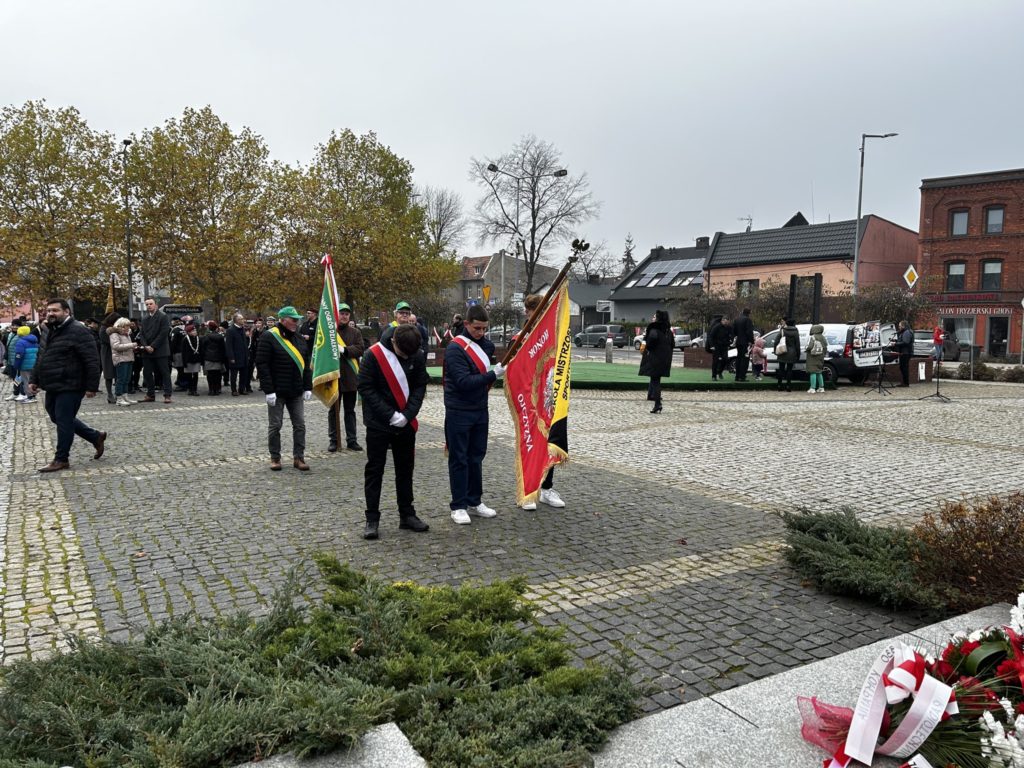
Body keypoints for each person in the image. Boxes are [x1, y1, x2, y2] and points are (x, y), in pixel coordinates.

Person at [357, 323, 430, 540]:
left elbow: (420, 385)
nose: (407, 358)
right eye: (403, 354)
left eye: (411, 355)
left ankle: (407, 514)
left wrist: (407, 415)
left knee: (405, 469)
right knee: (375, 470)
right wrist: (391, 415)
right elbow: (366, 387)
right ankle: (372, 518)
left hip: (405, 422)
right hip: (379, 422)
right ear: (393, 341)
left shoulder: (416, 353)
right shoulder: (373, 355)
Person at [28, 298, 106, 472]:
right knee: (56, 417)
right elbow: (41, 356)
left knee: (64, 420)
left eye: (55, 310)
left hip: (72, 384)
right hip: (53, 383)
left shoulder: (79, 330)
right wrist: (34, 379)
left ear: (66, 312)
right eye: (49, 310)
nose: (51, 314)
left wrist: (92, 386)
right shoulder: (48, 330)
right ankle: (95, 436)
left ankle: (61, 459)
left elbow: (92, 360)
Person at [444, 303, 504, 525]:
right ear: (467, 324)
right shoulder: (455, 348)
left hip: (480, 408)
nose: (481, 332)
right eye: (477, 328)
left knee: (476, 456)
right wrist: (493, 375)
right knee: (459, 458)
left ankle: (474, 500)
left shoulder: (486, 346)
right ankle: (458, 505)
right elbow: (463, 382)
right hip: (458, 409)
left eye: (484, 328)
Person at [517, 293, 566, 511]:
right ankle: (528, 491)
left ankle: (546, 488)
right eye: (532, 312)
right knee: (529, 443)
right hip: (528, 398)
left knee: (550, 441)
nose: (535, 317)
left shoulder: (552, 335)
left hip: (547, 398)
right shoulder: (522, 337)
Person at [256, 306, 312, 471]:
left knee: (300, 425)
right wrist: (268, 390)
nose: (296, 322)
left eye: (297, 320)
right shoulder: (269, 336)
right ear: (282, 319)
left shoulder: (300, 338)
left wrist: (307, 387)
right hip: (277, 390)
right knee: (275, 425)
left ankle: (299, 457)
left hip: (295, 390)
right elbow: (262, 364)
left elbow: (306, 365)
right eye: (293, 319)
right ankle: (275, 457)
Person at [328, 303, 365, 452]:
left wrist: (344, 350)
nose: (344, 316)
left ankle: (352, 440)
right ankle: (334, 440)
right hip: (334, 377)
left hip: (350, 377)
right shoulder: (330, 331)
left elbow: (360, 348)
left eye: (346, 314)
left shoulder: (355, 332)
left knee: (350, 411)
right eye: (341, 313)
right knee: (333, 411)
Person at [137, 297, 173, 403]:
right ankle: (150, 394)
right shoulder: (144, 318)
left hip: (160, 349)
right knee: (147, 373)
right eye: (147, 304)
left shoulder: (163, 316)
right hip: (147, 350)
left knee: (164, 373)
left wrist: (153, 346)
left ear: (156, 305)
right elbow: (141, 334)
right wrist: (146, 346)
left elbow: (163, 332)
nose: (149, 306)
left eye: (151, 304)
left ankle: (167, 395)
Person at [639, 309, 673, 414]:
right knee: (656, 380)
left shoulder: (654, 330)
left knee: (655, 381)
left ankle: (657, 403)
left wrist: (648, 348)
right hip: (665, 359)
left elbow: (650, 344)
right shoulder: (668, 331)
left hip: (655, 358)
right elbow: (672, 344)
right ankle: (656, 402)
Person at [109, 317, 136, 406]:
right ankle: (119, 398)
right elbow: (116, 346)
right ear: (121, 326)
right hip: (120, 359)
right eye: (127, 326)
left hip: (128, 358)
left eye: (128, 326)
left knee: (127, 379)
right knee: (121, 379)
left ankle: (125, 396)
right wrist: (131, 345)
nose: (128, 327)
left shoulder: (127, 334)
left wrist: (134, 347)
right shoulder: (114, 334)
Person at [12, 325, 40, 403]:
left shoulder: (20, 342)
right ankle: (33, 395)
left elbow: (19, 355)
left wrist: (16, 365)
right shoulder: (34, 340)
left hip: (24, 365)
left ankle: (30, 397)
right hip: (34, 364)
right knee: (32, 380)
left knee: (26, 381)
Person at [200, 320, 227, 395]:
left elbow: (203, 349)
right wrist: (223, 359)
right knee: (218, 375)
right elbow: (223, 349)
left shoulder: (205, 337)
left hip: (208, 358)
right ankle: (217, 389)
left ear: (209, 328)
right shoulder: (220, 337)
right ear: (216, 328)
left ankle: (211, 389)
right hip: (218, 358)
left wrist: (203, 359)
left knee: (210, 375)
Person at [225, 313, 249, 396]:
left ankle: (242, 389)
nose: (243, 320)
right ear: (236, 320)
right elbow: (229, 345)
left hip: (244, 356)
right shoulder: (230, 330)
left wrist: (247, 355)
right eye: (241, 319)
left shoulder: (242, 329)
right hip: (235, 356)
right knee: (234, 375)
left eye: (243, 318)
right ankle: (234, 390)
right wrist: (231, 357)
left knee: (244, 374)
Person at [99, 312, 120, 403]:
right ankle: (110, 394)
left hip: (116, 352)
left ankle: (117, 393)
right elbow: (108, 341)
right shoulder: (103, 329)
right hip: (107, 353)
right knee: (109, 374)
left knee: (117, 374)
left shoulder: (115, 328)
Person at [775, 318, 800, 392]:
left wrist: (775, 350)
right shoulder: (795, 332)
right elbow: (797, 344)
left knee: (781, 369)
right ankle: (788, 386)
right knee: (789, 370)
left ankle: (779, 385)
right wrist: (798, 354)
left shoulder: (782, 330)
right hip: (792, 353)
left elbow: (776, 341)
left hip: (782, 351)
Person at [179, 323, 202, 395]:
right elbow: (183, 352)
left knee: (195, 375)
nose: (195, 332)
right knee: (188, 375)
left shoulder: (198, 339)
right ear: (189, 332)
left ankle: (194, 389)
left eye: (195, 330)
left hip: (196, 359)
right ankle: (190, 389)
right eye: (193, 331)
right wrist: (184, 362)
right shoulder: (185, 339)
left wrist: (201, 360)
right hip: (188, 360)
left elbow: (201, 349)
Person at [732, 308, 755, 381]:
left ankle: (737, 376)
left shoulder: (736, 320)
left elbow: (734, 331)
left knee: (739, 358)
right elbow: (749, 332)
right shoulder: (748, 320)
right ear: (748, 313)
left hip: (738, 342)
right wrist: (751, 341)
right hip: (745, 343)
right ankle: (742, 376)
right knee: (745, 359)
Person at [708, 316, 734, 381]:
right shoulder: (717, 327)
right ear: (722, 321)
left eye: (728, 322)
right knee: (715, 361)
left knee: (725, 359)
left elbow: (732, 335)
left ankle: (719, 372)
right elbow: (711, 336)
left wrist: (731, 341)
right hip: (716, 346)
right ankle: (714, 376)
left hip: (724, 346)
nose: (726, 323)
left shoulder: (729, 328)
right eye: (725, 322)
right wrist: (712, 345)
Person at [805, 324, 827, 394]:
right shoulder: (823, 337)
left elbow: (809, 346)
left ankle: (812, 388)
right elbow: (825, 347)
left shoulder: (813, 337)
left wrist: (806, 349)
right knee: (819, 371)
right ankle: (821, 387)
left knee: (813, 372)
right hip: (820, 356)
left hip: (812, 356)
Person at [245, 318, 262, 393]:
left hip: (253, 354)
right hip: (247, 355)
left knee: (250, 370)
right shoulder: (246, 337)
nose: (249, 333)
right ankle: (246, 386)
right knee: (247, 371)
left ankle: (248, 386)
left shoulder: (255, 333)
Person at [895, 320, 914, 387]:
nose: (899, 327)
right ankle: (905, 382)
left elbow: (905, 342)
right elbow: (903, 340)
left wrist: (896, 344)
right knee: (903, 367)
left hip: (905, 352)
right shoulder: (906, 332)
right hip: (905, 352)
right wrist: (896, 341)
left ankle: (905, 383)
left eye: (900, 326)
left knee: (904, 367)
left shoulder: (907, 332)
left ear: (903, 326)